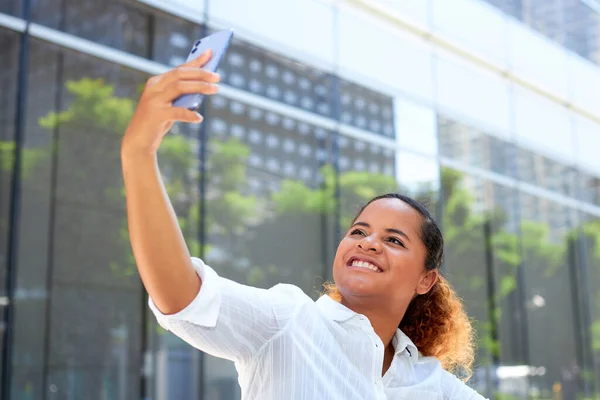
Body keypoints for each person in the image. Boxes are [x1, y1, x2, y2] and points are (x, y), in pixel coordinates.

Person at [121, 50, 487, 400]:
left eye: (394, 239)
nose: (368, 243)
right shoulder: (288, 322)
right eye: (359, 231)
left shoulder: (429, 382)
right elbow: (182, 296)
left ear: (426, 279)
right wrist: (138, 153)